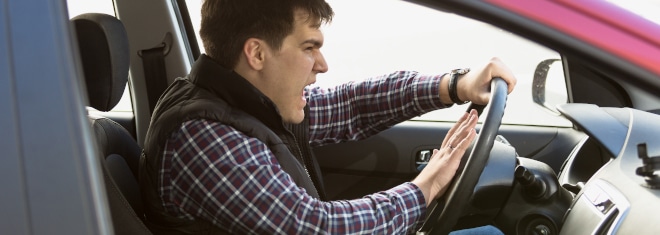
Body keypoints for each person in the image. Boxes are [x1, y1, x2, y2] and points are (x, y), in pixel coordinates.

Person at [139, 0, 517, 234]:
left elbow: (352, 105)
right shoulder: (205, 138)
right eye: (309, 48)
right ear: (256, 54)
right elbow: (316, 228)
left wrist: (454, 85)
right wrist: (427, 187)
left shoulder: (251, 105)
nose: (322, 65)